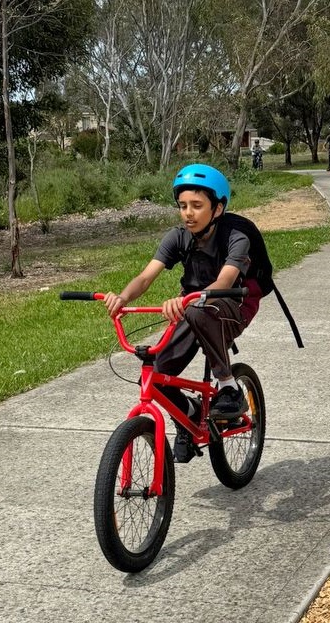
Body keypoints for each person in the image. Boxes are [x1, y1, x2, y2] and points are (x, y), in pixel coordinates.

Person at [103, 163, 263, 463]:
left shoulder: (237, 237)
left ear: (217, 208)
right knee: (154, 377)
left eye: (197, 206)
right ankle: (188, 418)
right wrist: (122, 297)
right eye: (183, 206)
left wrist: (192, 301)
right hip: (193, 309)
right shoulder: (178, 237)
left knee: (201, 311)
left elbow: (224, 281)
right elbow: (145, 277)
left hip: (233, 305)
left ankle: (229, 387)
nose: (188, 213)